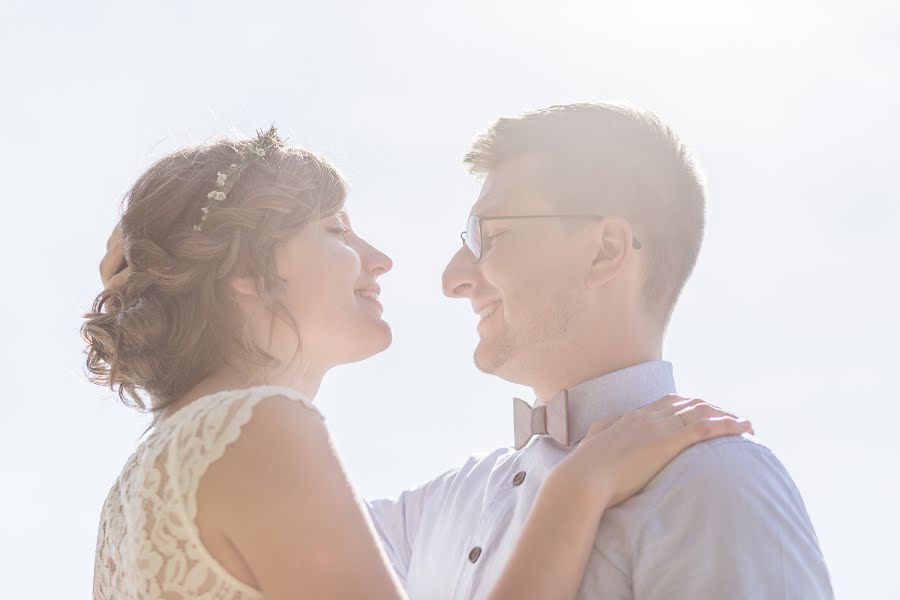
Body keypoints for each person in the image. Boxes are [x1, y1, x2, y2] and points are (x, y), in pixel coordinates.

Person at [89, 127, 749, 599]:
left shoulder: (137, 486)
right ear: (246, 273)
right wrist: (578, 490)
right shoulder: (263, 426)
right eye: (336, 231)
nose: (379, 260)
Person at [365, 103, 835, 599]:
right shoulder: (440, 508)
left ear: (605, 250)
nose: (452, 280)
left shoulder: (718, 481)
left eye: (494, 236)